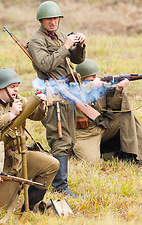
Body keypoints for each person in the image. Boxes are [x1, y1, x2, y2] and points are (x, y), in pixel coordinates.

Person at [0, 67, 59, 211]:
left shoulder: (18, 100)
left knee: (51, 164)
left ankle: (31, 207)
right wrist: (10, 115)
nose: (16, 90)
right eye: (12, 87)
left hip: (19, 157)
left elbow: (35, 116)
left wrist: (41, 107)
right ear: (0, 89)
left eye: (17, 86)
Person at [28, 1, 86, 197]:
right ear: (41, 20)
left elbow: (76, 60)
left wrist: (79, 46)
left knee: (69, 138)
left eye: (55, 18)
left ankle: (59, 182)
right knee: (59, 138)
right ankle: (59, 187)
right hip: (52, 93)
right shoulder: (37, 40)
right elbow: (44, 65)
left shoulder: (60, 35)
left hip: (67, 91)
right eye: (48, 19)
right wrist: (65, 47)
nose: (52, 22)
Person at [73, 59, 142, 166]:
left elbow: (113, 107)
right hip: (84, 134)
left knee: (125, 116)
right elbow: (76, 94)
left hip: (102, 126)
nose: (95, 78)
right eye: (91, 77)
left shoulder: (100, 87)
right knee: (92, 163)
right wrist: (92, 86)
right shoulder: (72, 90)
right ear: (81, 78)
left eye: (95, 75)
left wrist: (118, 90)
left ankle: (130, 153)